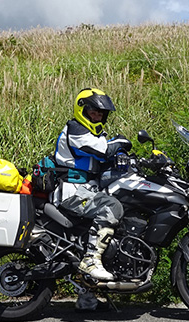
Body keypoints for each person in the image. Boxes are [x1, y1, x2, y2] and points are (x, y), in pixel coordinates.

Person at [53, 88, 132, 284]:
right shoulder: (75, 130)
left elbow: (103, 158)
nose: (97, 116)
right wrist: (121, 142)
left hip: (87, 190)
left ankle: (87, 297)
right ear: (83, 110)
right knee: (111, 207)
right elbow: (103, 151)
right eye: (93, 112)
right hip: (72, 193)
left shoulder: (94, 134)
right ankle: (90, 261)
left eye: (101, 113)